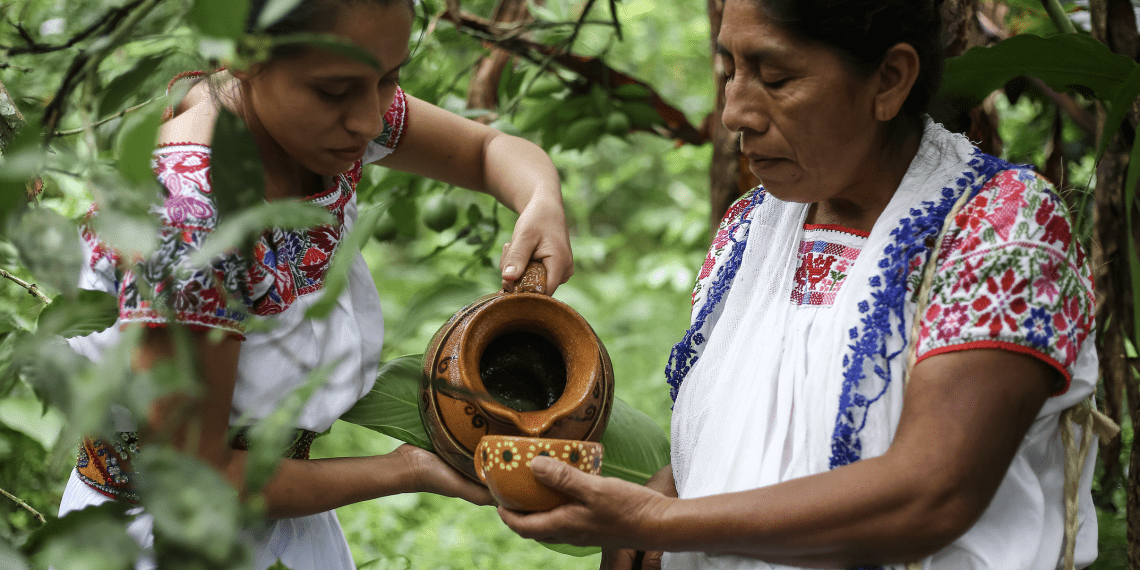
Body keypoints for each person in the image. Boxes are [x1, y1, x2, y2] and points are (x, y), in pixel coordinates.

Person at [497, 1, 1101, 569]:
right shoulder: (751, 233)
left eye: (776, 78)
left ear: (890, 79)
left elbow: (930, 494)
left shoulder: (999, 230)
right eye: (730, 68)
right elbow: (749, 434)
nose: (735, 111)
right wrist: (665, 497)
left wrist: (662, 521)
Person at [57, 0, 573, 568]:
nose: (373, 120)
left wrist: (541, 200)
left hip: (275, 519)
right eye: (335, 91)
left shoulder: (320, 115)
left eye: (390, 77)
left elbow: (486, 149)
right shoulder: (193, 217)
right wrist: (407, 470)